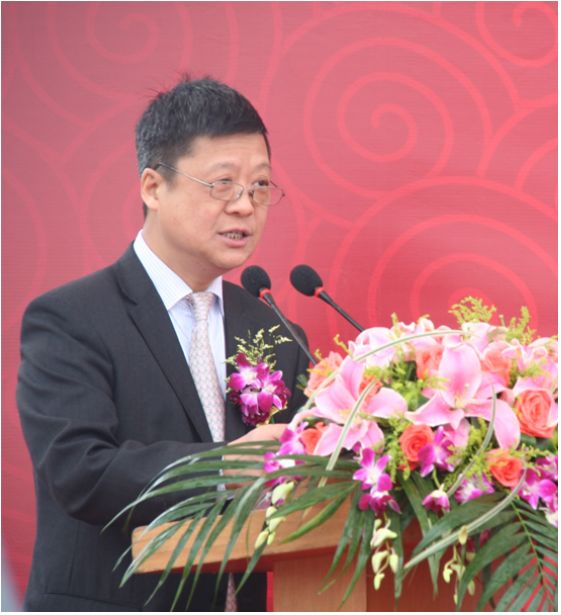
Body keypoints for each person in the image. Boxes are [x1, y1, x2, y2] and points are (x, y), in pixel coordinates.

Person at [17, 77, 310, 611]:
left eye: (260, 186)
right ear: (153, 187)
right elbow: (80, 472)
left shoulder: (275, 332)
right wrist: (224, 468)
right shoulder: (70, 319)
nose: (245, 206)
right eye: (222, 184)